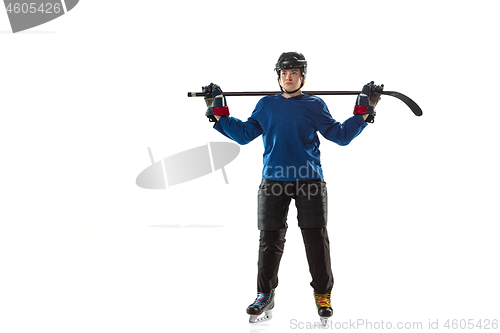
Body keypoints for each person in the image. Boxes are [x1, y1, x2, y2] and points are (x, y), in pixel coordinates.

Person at [202, 52, 383, 324]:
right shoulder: (266, 105)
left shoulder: (314, 105)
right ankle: (265, 294)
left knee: (315, 239)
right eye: (284, 72)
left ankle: (323, 294)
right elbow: (243, 134)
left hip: (309, 180)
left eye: (294, 72)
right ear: (278, 76)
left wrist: (363, 111)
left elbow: (340, 136)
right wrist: (218, 113)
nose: (289, 77)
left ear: (303, 77)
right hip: (273, 180)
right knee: (269, 241)